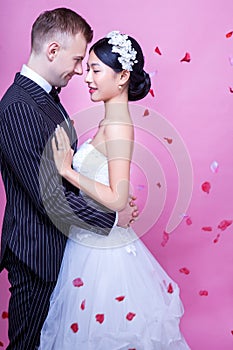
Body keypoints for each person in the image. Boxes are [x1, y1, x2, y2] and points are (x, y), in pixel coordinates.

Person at [39, 31, 190, 349]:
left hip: (101, 252)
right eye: (88, 68)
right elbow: (113, 189)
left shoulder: (119, 124)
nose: (87, 78)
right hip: (87, 241)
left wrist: (67, 170)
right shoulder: (110, 122)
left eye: (95, 70)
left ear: (122, 76)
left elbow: (117, 198)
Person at [0, 10, 137, 350]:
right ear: (52, 50)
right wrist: (114, 216)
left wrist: (104, 193)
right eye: (77, 60)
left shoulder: (46, 98)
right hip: (38, 255)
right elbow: (49, 197)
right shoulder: (19, 107)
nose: (80, 71)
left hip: (66, 249)